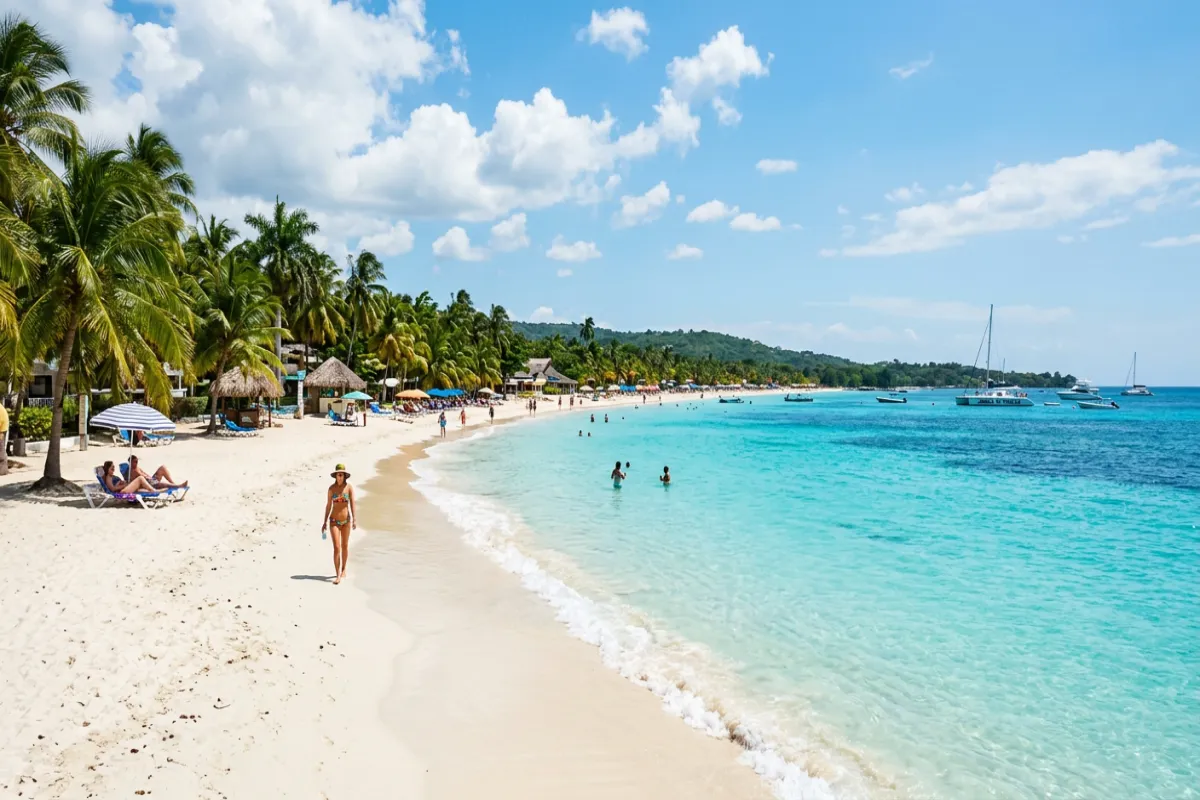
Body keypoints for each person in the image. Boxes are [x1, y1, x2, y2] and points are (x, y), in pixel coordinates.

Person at [321, 464, 358, 584]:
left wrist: (354, 519)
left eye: (341, 475)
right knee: (337, 547)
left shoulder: (349, 488)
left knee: (345, 546)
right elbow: (328, 505)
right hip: (334, 522)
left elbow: (352, 503)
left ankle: (343, 569)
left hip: (346, 521)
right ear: (335, 476)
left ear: (345, 476)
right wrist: (324, 521)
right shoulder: (331, 489)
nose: (340, 477)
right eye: (338, 475)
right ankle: (337, 575)